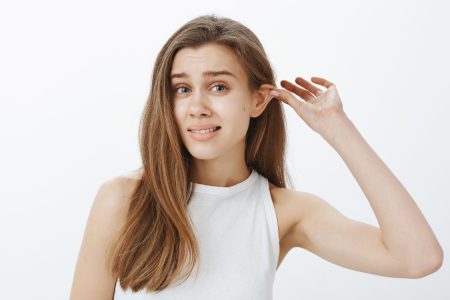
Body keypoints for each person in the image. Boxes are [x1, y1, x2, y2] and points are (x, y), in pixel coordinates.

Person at [70, 14, 443, 300]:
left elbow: (418, 257)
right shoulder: (124, 199)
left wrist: (336, 127)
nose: (196, 107)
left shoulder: (283, 212)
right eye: (182, 89)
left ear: (258, 100)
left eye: (218, 86)